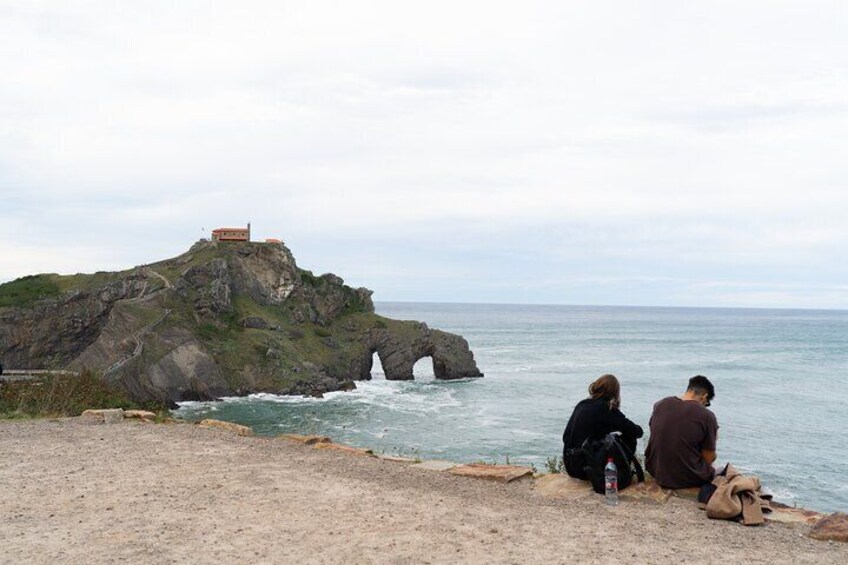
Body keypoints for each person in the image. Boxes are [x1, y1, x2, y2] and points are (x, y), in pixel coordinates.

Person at [562, 374, 643, 479]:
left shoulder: (582, 404)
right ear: (614, 392)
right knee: (629, 437)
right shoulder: (607, 409)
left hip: (571, 465)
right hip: (587, 469)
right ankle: (620, 472)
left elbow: (566, 437)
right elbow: (635, 431)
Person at [645, 375, 718, 488]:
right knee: (724, 471)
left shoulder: (660, 404)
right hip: (685, 478)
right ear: (704, 396)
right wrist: (714, 437)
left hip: (656, 471)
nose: (705, 407)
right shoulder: (707, 416)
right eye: (707, 404)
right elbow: (709, 458)